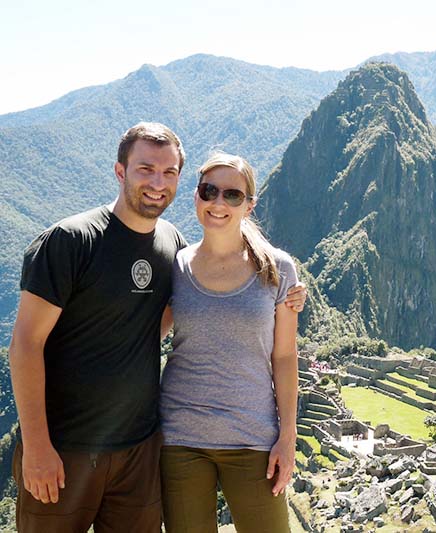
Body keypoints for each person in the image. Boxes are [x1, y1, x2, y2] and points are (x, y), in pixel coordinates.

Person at [7, 123, 306, 533]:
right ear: (120, 171)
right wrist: (37, 446)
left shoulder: (174, 246)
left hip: (140, 451)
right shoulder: (74, 241)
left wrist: (287, 298)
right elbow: (25, 343)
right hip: (71, 446)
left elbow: (167, 321)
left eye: (168, 173)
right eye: (145, 169)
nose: (157, 182)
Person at [158, 153, 297, 533]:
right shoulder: (175, 267)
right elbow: (148, 333)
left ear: (249, 205)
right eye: (209, 191)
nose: (219, 203)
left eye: (232, 195)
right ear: (197, 197)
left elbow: (284, 357)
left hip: (253, 439)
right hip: (181, 438)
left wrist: (288, 436)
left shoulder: (277, 269)